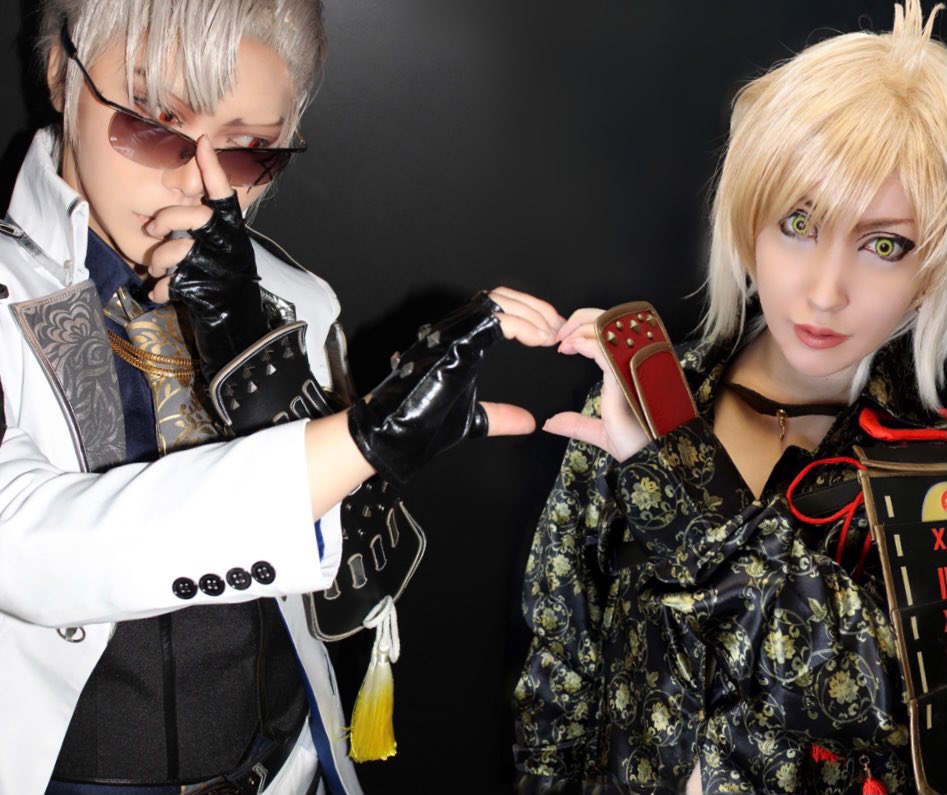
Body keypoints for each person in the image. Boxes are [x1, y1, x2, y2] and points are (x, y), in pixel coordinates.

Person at [0, 1, 562, 793]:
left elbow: (347, 585)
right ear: (62, 75)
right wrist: (358, 440)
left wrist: (262, 361)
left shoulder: (294, 300)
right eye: (153, 124)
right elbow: (22, 548)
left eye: (246, 150)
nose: (199, 181)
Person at [513, 1, 947, 793]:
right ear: (747, 222)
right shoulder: (631, 404)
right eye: (797, 223)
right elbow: (561, 671)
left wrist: (677, 483)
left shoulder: (930, 470)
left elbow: (883, 703)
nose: (825, 291)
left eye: (883, 244)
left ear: (929, 267)